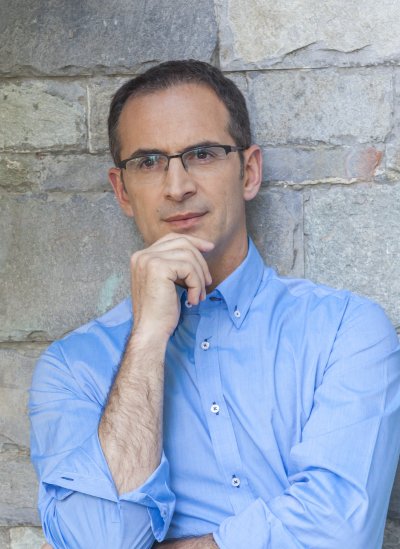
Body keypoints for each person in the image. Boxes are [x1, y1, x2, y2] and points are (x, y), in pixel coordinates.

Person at [30, 60, 400, 549]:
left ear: (249, 172)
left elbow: (338, 533)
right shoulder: (71, 369)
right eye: (149, 161)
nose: (177, 186)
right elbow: (94, 541)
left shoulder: (345, 331)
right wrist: (147, 340)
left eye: (202, 154)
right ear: (122, 191)